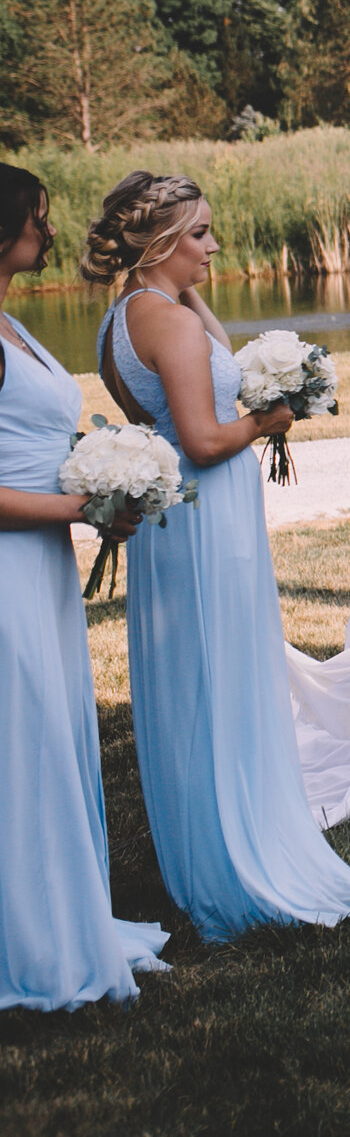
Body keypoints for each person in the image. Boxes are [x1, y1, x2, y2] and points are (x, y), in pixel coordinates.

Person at [86, 172, 350, 942]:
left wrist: (189, 292)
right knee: (222, 678)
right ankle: (234, 857)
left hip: (178, 525)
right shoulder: (168, 327)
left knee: (199, 684)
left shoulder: (127, 317)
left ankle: (206, 839)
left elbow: (209, 360)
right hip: (206, 518)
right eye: (201, 234)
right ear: (164, 242)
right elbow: (206, 439)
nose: (214, 247)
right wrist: (269, 418)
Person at [0, 166, 169, 1009]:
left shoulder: (12, 322)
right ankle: (26, 934)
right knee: (16, 739)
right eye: (38, 216)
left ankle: (60, 907)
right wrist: (83, 502)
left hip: (40, 565)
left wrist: (105, 485)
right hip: (8, 569)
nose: (51, 231)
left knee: (47, 734)